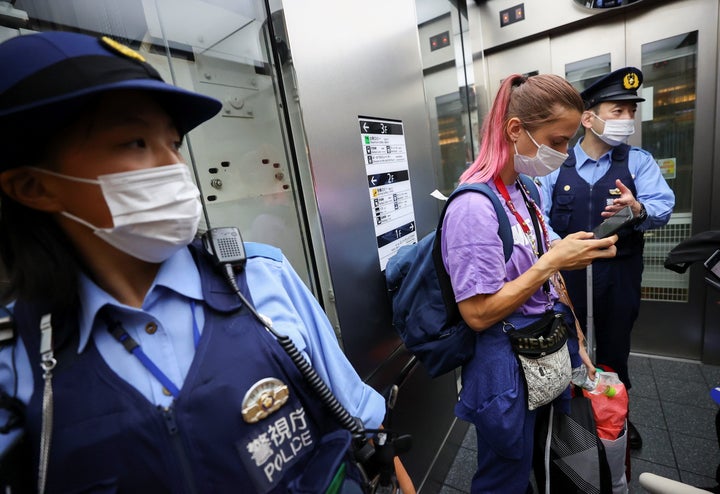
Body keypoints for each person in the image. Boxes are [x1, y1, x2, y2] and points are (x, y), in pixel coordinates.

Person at [0, 31, 413, 493]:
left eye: (173, 143)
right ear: (33, 186)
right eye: (134, 142)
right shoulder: (17, 355)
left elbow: (368, 432)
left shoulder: (258, 278)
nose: (175, 168)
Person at [441, 73, 618, 494]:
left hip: (545, 347)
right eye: (556, 141)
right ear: (516, 130)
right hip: (504, 362)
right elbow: (478, 314)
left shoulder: (525, 191)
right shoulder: (473, 208)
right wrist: (549, 262)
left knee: (541, 455)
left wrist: (576, 339)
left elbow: (552, 273)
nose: (565, 152)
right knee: (505, 473)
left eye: (569, 140)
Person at [537, 67, 675, 450]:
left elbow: (663, 205)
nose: (627, 120)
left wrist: (638, 208)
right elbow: (539, 219)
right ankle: (569, 424)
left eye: (631, 111)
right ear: (588, 117)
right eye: (617, 111)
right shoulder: (554, 167)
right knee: (565, 347)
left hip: (620, 274)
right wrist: (559, 250)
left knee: (615, 349)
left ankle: (616, 421)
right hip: (566, 277)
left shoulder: (638, 162)